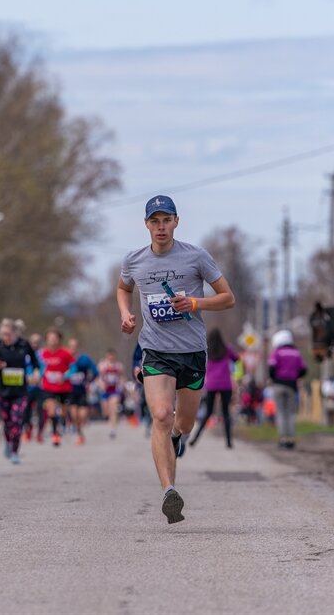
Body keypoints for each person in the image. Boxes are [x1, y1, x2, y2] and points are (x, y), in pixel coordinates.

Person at [118, 195, 235, 524]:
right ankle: (169, 490)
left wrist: (196, 304)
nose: (161, 227)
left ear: (176, 222)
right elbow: (122, 288)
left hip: (192, 352)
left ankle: (175, 439)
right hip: (155, 350)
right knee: (160, 415)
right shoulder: (134, 260)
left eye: (166, 220)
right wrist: (126, 314)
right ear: (146, 225)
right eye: (154, 221)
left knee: (183, 424)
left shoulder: (196, 257)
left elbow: (228, 298)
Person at [0, 319, 40, 464]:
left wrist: (35, 373)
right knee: (7, 422)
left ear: (15, 333)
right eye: (4, 335)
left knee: (17, 421)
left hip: (20, 391)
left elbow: (35, 362)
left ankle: (15, 451)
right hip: (3, 392)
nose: (6, 338)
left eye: (9, 334)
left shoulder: (24, 345)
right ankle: (8, 442)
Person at [188, 328, 239, 449]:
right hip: (225, 384)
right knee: (226, 412)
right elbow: (236, 359)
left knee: (208, 412)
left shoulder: (206, 349)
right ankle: (228, 442)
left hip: (211, 384)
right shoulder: (227, 349)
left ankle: (194, 439)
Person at [267, 329, 307, 449]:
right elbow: (303, 369)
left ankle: (283, 439)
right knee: (290, 413)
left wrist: (275, 379)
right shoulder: (297, 353)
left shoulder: (277, 352)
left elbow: (271, 368)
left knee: (281, 412)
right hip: (292, 386)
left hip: (278, 385)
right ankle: (291, 439)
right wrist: (295, 377)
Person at [39, 328, 75, 447]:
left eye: (54, 339)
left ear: (59, 340)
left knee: (63, 412)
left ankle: (62, 424)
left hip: (64, 387)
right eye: (50, 339)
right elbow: (38, 367)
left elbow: (74, 368)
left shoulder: (65, 353)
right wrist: (38, 375)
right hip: (48, 387)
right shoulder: (42, 354)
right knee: (51, 409)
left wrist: (64, 376)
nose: (52, 341)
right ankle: (55, 434)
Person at [66, 338, 98, 446]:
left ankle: (80, 430)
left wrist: (89, 381)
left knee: (82, 415)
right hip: (70, 390)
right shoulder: (66, 358)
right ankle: (79, 434)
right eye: (71, 346)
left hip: (82, 390)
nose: (73, 349)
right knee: (74, 414)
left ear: (77, 347)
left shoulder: (84, 358)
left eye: (74, 346)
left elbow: (95, 371)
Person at [22, 332, 44, 442]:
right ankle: (28, 428)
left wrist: (39, 376)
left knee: (41, 410)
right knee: (26, 411)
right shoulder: (25, 354)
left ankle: (39, 433)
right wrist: (26, 377)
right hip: (27, 387)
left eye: (37, 342)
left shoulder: (42, 355)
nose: (35, 344)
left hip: (40, 387)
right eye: (33, 342)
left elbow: (45, 367)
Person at [97, 349, 124, 439]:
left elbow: (122, 377)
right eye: (109, 356)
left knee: (114, 407)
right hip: (105, 390)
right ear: (107, 356)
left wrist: (122, 386)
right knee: (106, 411)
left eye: (112, 356)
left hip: (114, 390)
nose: (111, 358)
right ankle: (109, 419)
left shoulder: (119, 366)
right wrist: (101, 385)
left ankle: (113, 428)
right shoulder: (102, 365)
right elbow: (98, 377)